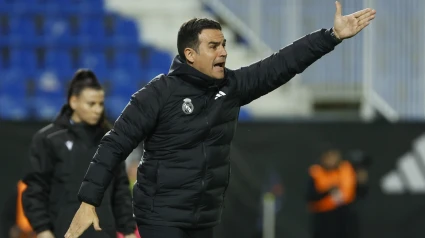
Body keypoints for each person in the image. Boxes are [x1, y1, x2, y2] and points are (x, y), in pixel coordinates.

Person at [65, 2, 376, 238]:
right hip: (161, 219)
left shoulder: (231, 87)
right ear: (190, 54)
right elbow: (114, 144)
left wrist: (332, 36)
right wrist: (88, 201)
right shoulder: (157, 94)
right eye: (213, 46)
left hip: (205, 218)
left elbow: (280, 64)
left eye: (224, 44)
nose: (224, 52)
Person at [21, 69, 137, 238]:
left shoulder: (111, 140)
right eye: (91, 104)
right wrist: (42, 230)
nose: (97, 110)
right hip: (63, 233)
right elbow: (35, 189)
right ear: (73, 102)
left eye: (101, 104)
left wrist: (128, 231)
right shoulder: (48, 139)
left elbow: (120, 190)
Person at [306, 147, 369, 238]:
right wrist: (328, 191)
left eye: (334, 155)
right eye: (328, 156)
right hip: (324, 219)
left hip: (345, 216)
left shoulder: (348, 169)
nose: (332, 159)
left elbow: (360, 193)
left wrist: (362, 183)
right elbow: (310, 197)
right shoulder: (316, 173)